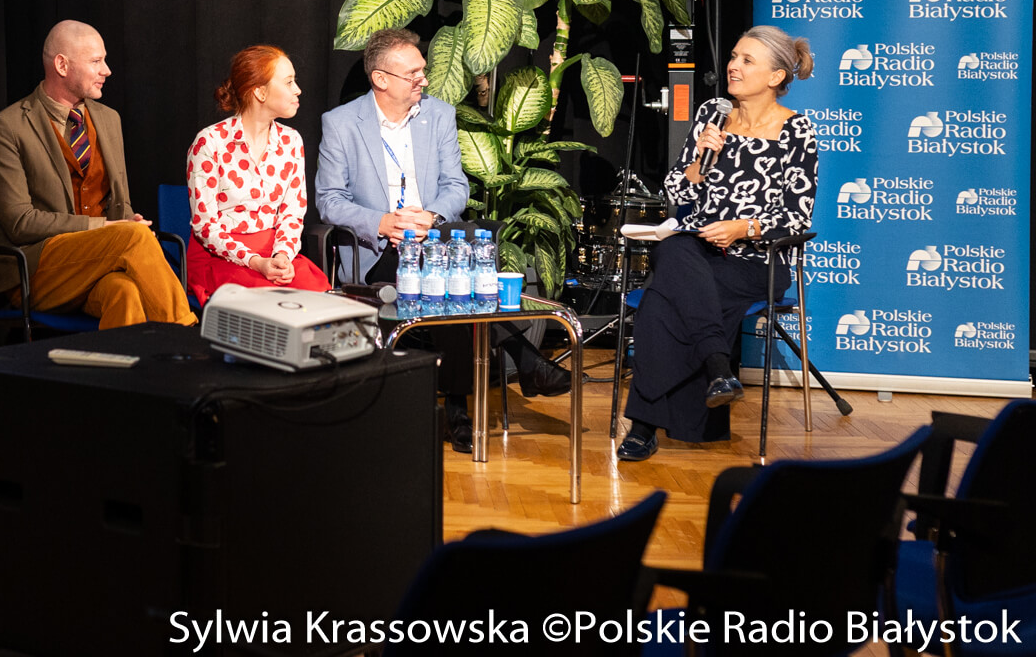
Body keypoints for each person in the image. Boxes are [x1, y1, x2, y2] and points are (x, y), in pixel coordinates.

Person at [315, 27, 570, 452]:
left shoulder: (439, 115)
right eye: (413, 73)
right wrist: (384, 222)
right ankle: (504, 372)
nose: (425, 80)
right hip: (377, 251)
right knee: (448, 276)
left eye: (424, 71)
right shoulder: (341, 124)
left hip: (432, 238)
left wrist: (430, 215)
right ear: (381, 79)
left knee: (444, 271)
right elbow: (329, 201)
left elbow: (457, 186)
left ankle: (461, 404)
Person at [618, 25, 818, 462]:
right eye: (733, 56)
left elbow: (796, 215)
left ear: (776, 77)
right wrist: (696, 169)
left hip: (755, 259)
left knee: (660, 300)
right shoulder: (713, 112)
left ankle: (644, 425)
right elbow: (678, 191)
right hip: (697, 251)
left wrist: (742, 228)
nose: (733, 66)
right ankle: (717, 367)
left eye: (747, 60)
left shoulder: (796, 130)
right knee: (672, 249)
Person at [0, 20, 196, 329]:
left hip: (101, 265)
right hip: (39, 270)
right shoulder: (7, 128)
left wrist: (125, 220)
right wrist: (104, 228)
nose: (106, 70)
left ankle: (123, 376)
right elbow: (19, 222)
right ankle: (186, 338)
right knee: (132, 237)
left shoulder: (108, 120)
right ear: (62, 65)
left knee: (125, 293)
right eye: (96, 61)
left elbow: (119, 204)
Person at [184, 45, 330, 303]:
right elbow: (205, 226)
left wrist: (282, 256)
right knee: (267, 302)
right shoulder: (210, 143)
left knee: (315, 298)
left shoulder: (291, 140)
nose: (298, 90)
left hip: (272, 252)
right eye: (288, 82)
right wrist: (255, 262)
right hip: (222, 254)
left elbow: (292, 213)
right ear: (260, 92)